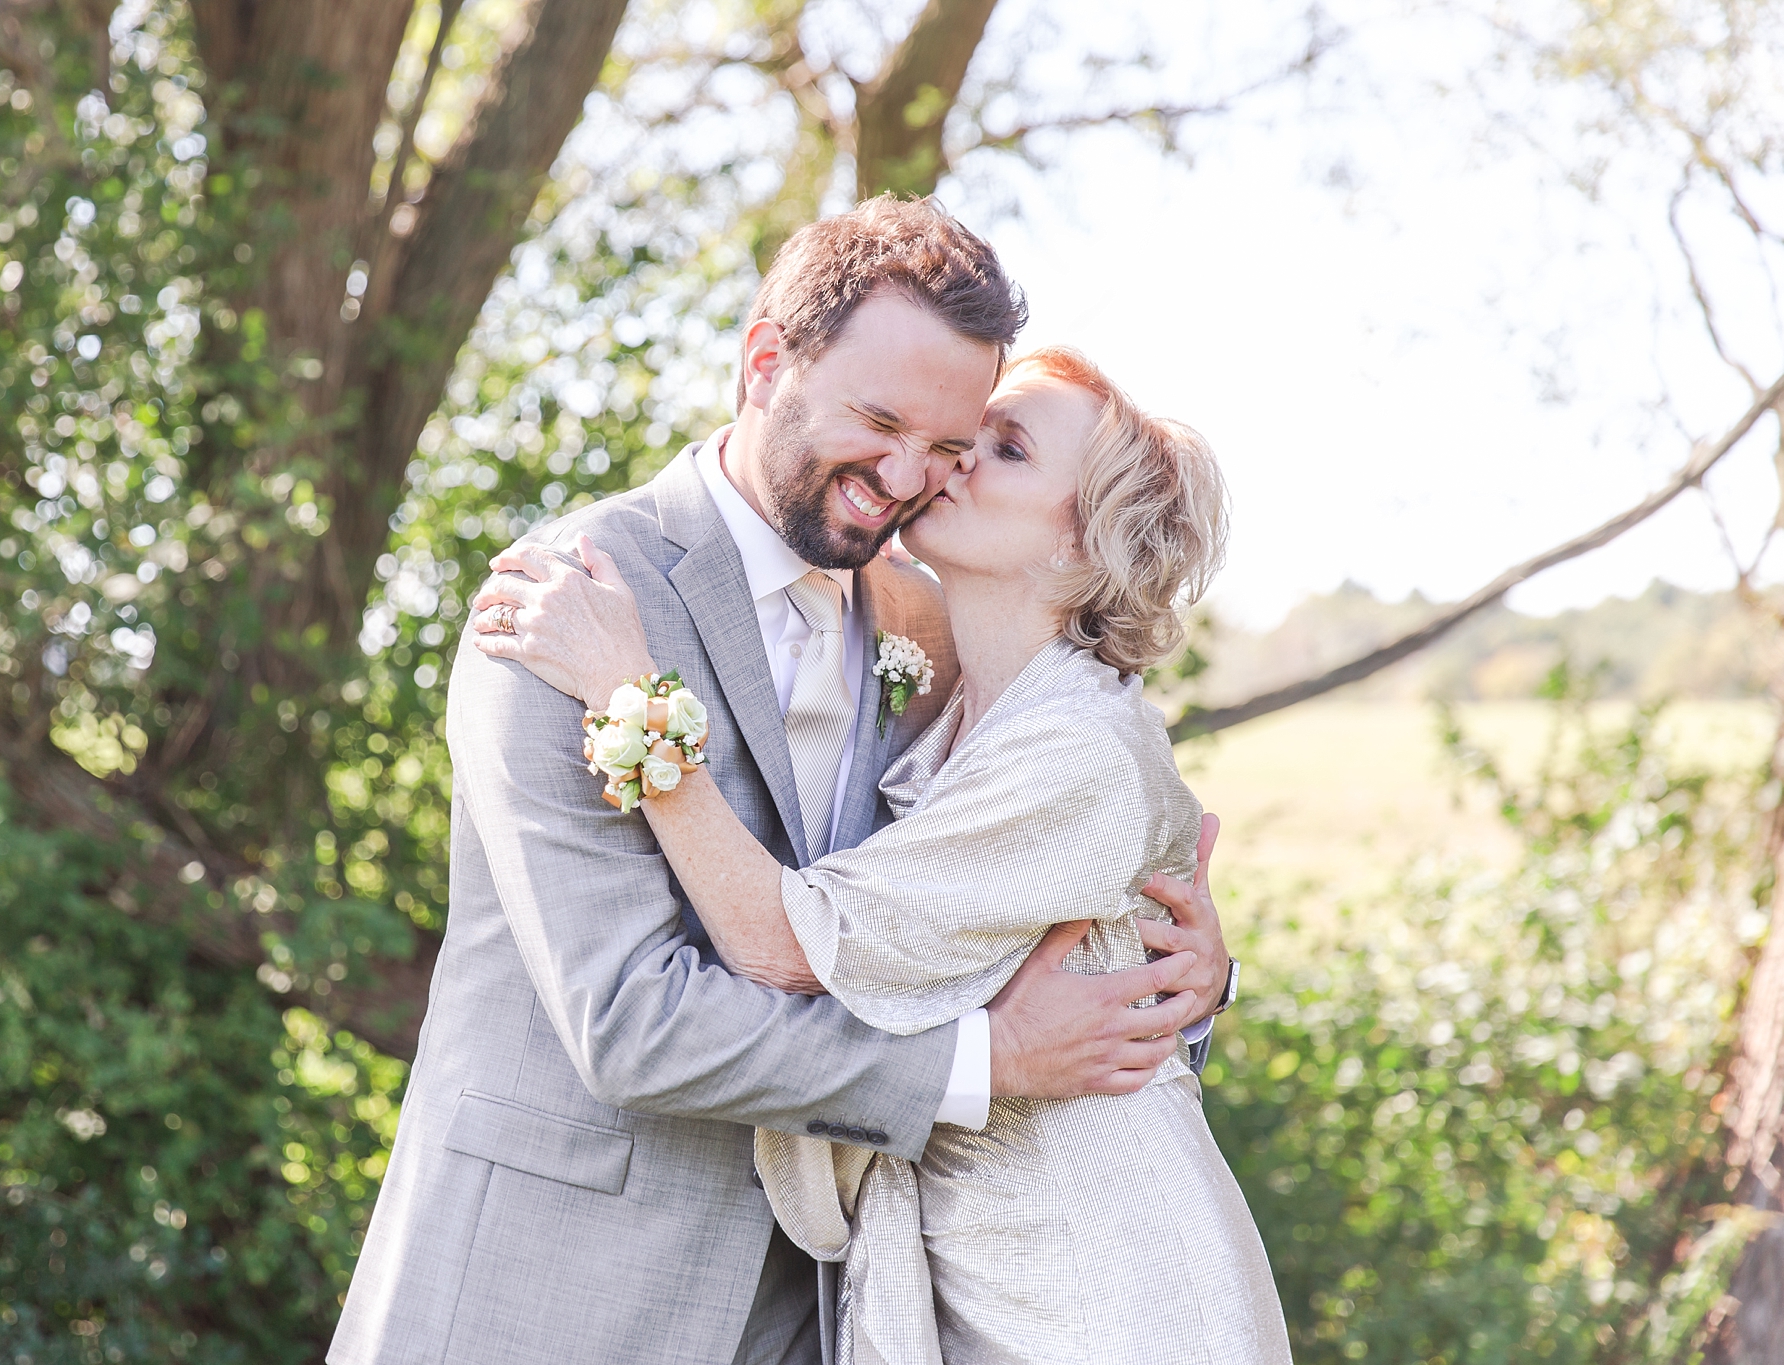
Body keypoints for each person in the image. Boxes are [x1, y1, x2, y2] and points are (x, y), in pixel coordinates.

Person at [327, 198, 1236, 1365]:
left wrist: (1183, 979)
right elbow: (632, 1023)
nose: (907, 474)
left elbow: (1035, 874)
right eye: (878, 419)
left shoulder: (927, 621)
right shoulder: (574, 604)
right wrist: (987, 1063)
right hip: (552, 1297)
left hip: (808, 1312)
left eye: (951, 444)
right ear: (767, 363)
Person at [473, 344, 1287, 1364]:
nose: (943, 464)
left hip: (1100, 1283)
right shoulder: (929, 679)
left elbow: (785, 944)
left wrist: (628, 696)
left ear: (1082, 545)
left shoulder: (1079, 751)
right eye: (958, 436)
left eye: (1003, 448)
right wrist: (1190, 985)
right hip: (967, 1278)